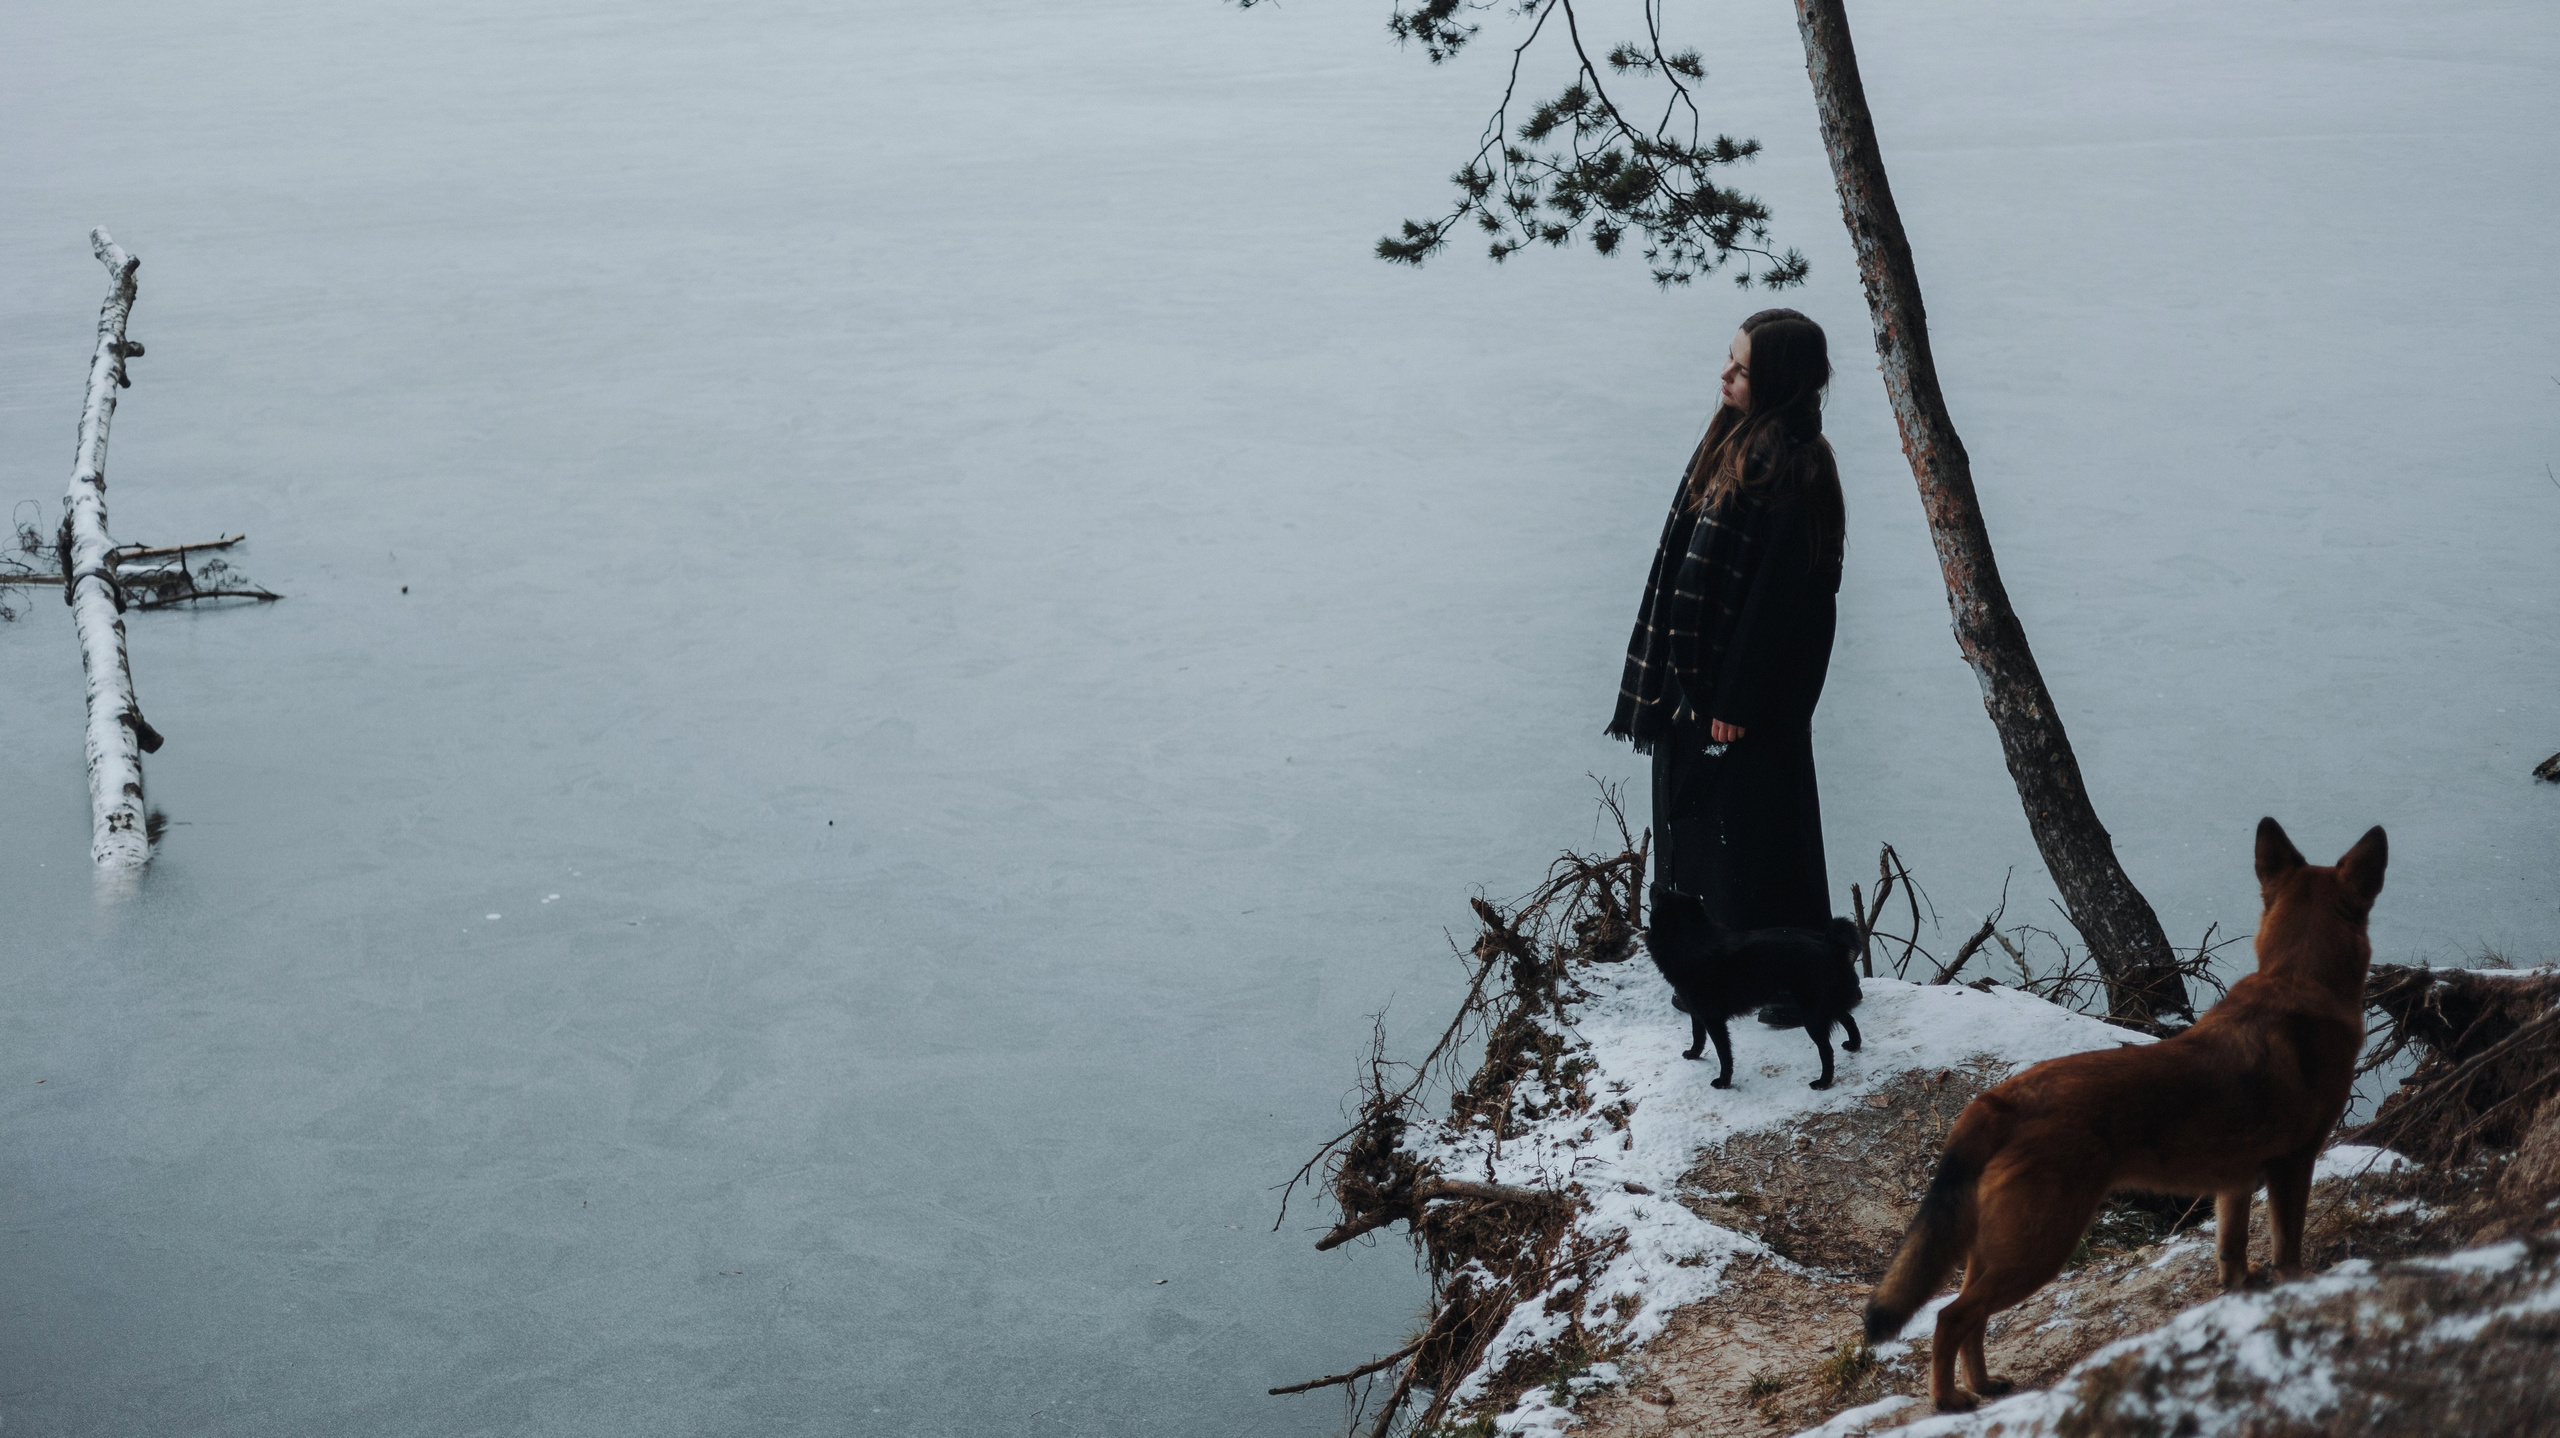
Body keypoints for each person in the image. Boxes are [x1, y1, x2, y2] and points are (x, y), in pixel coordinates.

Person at [1607, 308, 1847, 936]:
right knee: (1699, 828)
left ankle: (1778, 972)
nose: (1725, 374)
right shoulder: (1734, 439)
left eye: (1743, 369)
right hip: (1696, 680)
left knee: (1754, 836)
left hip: (1745, 696)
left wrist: (1736, 699)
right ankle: (1708, 958)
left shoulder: (1796, 468)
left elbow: (1782, 603)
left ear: (1780, 380)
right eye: (1729, 358)